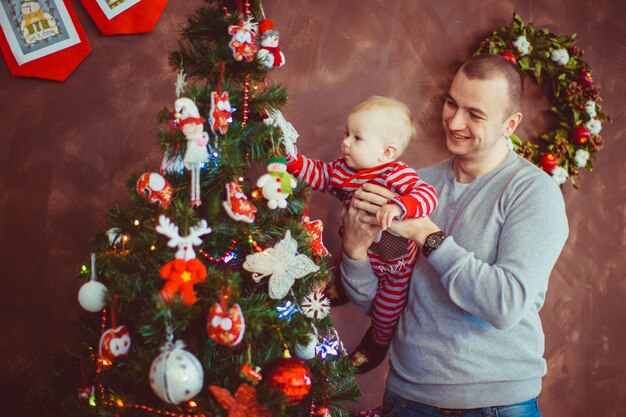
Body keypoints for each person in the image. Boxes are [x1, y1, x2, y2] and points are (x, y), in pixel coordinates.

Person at [339, 54, 569, 416]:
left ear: (510, 124)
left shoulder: (533, 193)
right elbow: (382, 302)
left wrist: (428, 236)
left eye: (475, 114)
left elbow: (504, 304)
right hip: (407, 397)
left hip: (496, 404)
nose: (455, 121)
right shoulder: (416, 184)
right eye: (451, 103)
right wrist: (354, 253)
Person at [285, 96, 438, 373]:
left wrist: (399, 205)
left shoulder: (396, 174)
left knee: (385, 313)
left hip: (396, 270)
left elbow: (427, 196)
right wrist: (292, 160)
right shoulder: (343, 171)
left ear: (386, 152)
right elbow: (318, 174)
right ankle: (342, 288)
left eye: (357, 138)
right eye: (347, 134)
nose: (345, 142)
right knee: (337, 265)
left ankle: (375, 344)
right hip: (356, 251)